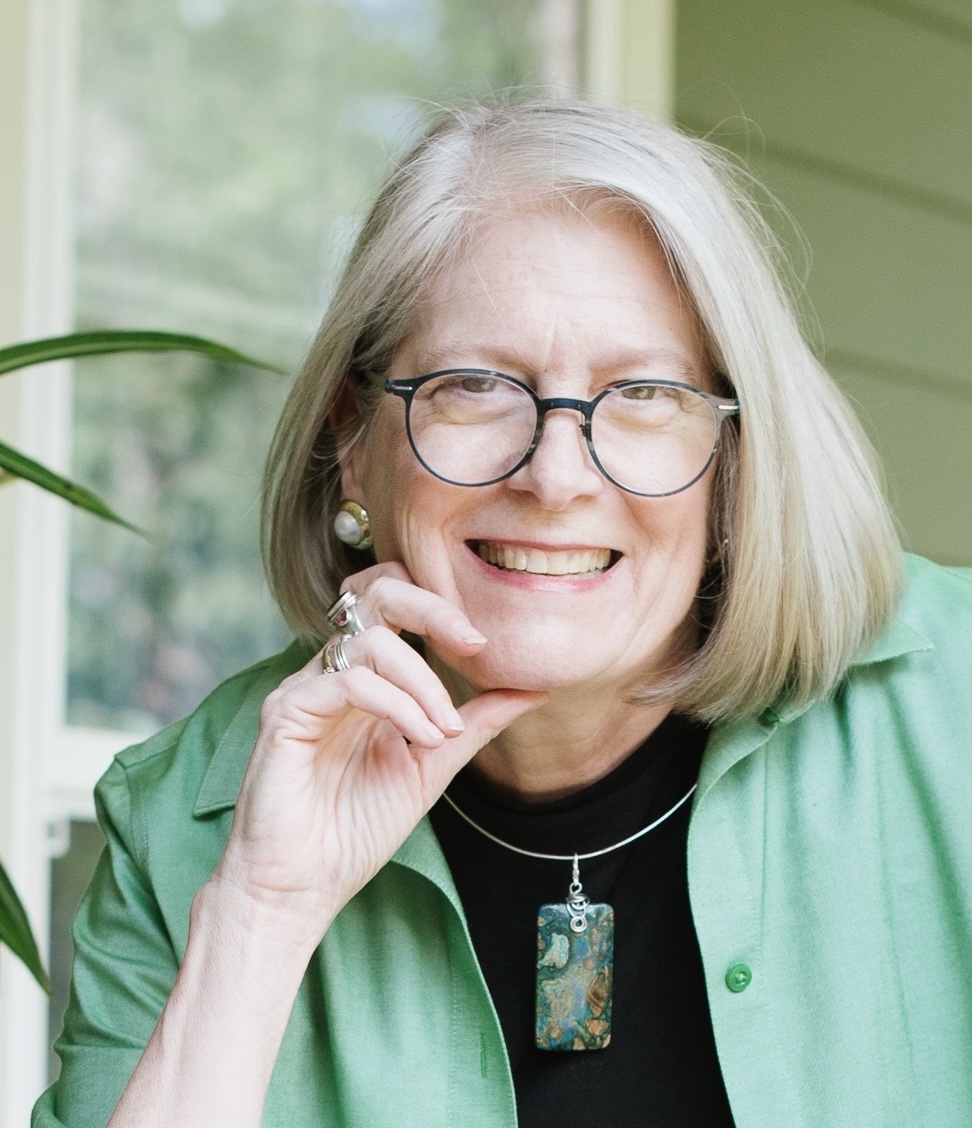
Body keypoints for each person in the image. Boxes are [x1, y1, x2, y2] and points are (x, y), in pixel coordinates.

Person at [34, 99, 972, 1128]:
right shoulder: (185, 818)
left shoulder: (951, 708)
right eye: (475, 385)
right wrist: (261, 914)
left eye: (644, 394)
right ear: (354, 440)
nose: (555, 477)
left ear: (735, 458)